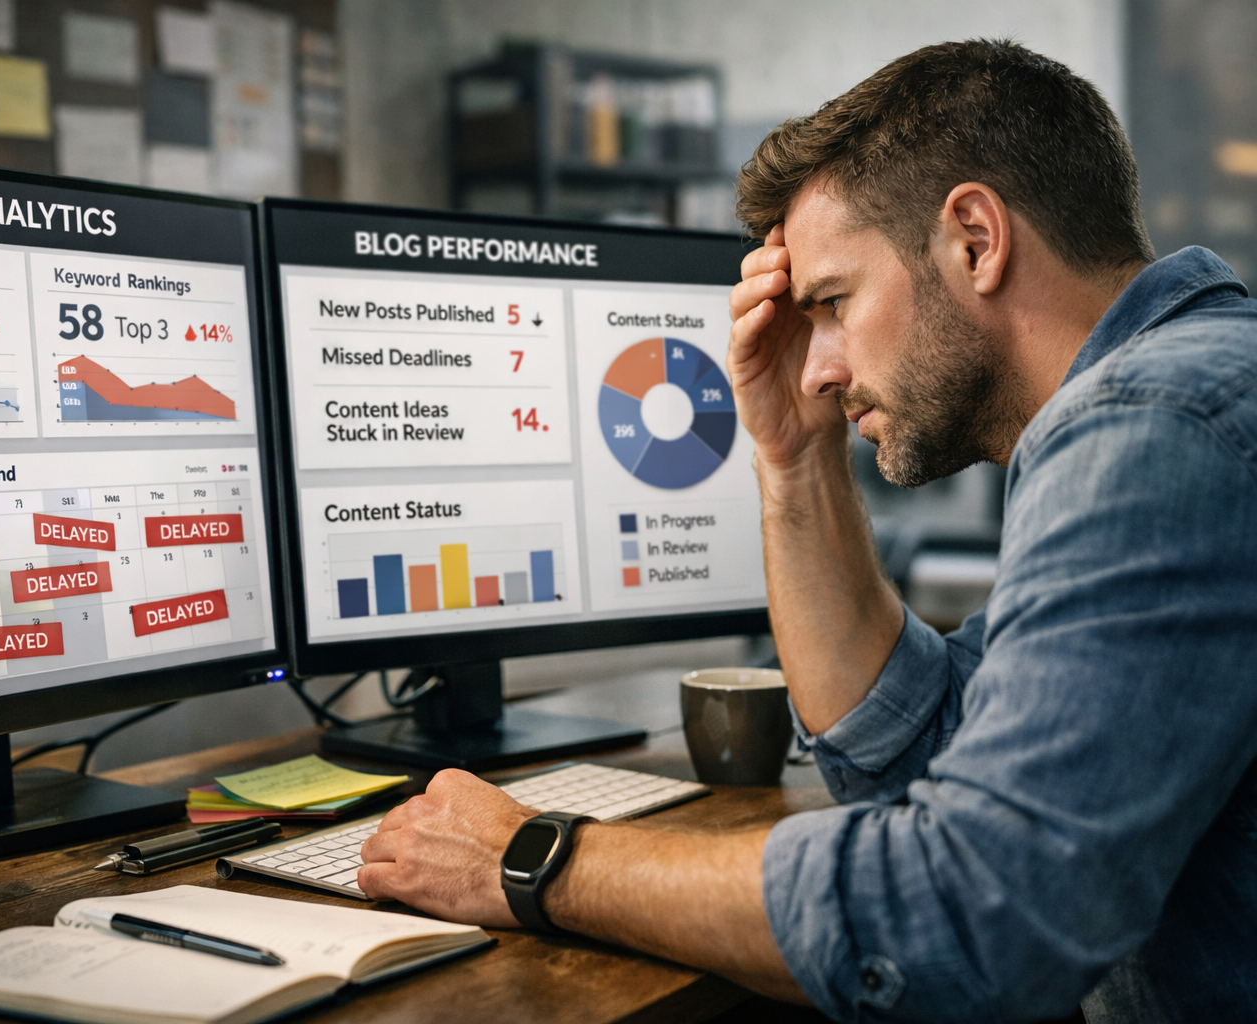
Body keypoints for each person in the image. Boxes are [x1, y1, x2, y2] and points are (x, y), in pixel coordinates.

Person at [356, 38, 1257, 1022]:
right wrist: (794, 456)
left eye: (834, 301)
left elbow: (967, 915)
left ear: (974, 240)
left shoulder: (1155, 426)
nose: (821, 369)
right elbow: (919, 748)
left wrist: (534, 858)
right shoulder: (1181, 393)